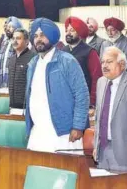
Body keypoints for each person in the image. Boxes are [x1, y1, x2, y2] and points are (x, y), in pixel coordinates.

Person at [25, 17, 89, 153]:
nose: (38, 39)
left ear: (52, 36)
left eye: (42, 35)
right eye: (35, 36)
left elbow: (81, 95)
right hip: (38, 132)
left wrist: (78, 126)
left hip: (64, 134)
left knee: (65, 173)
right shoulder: (32, 64)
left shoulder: (67, 61)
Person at [93, 46, 127, 189]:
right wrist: (96, 145)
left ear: (122, 64)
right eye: (102, 62)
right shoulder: (101, 82)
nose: (104, 66)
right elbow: (99, 117)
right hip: (103, 149)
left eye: (109, 62)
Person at [62, 16, 102, 117]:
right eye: (67, 30)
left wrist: (92, 104)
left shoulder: (90, 52)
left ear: (79, 32)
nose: (68, 33)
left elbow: (97, 79)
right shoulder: (62, 51)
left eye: (72, 30)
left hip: (83, 103)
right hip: (64, 101)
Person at [8, 28, 36, 114]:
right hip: (12, 106)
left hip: (27, 107)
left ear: (27, 41)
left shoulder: (33, 58)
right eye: (13, 38)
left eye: (18, 38)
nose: (15, 41)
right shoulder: (11, 59)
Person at [0, 16, 23, 91]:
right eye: (7, 26)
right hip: (1, 84)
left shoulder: (19, 44)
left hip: (13, 86)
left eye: (11, 27)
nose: (8, 29)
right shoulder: (4, 42)